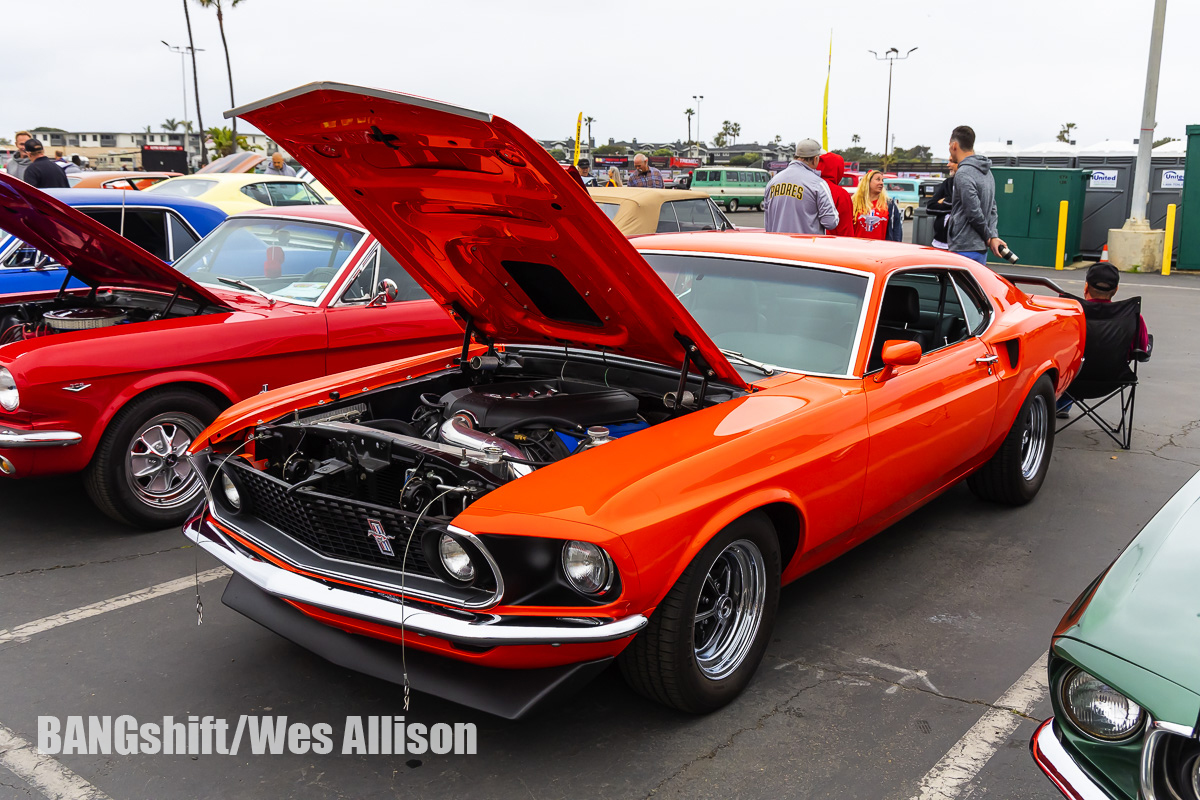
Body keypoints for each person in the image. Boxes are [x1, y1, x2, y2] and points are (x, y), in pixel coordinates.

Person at [1056, 261, 1151, 418]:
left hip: (1070, 381)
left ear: (1086, 287)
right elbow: (1141, 348)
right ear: (1116, 290)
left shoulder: (1068, 314)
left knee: (1071, 359)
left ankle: (1062, 403)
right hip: (1113, 378)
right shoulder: (1132, 318)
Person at [947, 125, 1006, 264]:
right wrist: (992, 235)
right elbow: (992, 208)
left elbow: (973, 211)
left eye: (949, 146)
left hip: (963, 246)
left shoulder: (963, 173)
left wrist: (989, 238)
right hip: (980, 249)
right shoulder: (987, 172)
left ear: (954, 145)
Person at [762, 138, 838, 234]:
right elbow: (831, 222)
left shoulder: (773, 181)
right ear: (815, 159)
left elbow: (767, 222)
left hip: (777, 245)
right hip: (806, 246)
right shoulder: (818, 183)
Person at [849, 170, 902, 241]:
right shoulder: (853, 202)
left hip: (881, 249)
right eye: (878, 180)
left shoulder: (889, 204)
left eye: (882, 180)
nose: (881, 183)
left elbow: (897, 230)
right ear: (867, 182)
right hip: (858, 248)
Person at [817, 152, 854, 236]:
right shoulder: (841, 194)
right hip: (831, 245)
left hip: (806, 243)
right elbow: (845, 229)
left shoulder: (809, 186)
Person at [928, 161, 957, 249]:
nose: (948, 165)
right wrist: (951, 204)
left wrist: (945, 200)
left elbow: (963, 204)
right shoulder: (947, 182)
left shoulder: (970, 182)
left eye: (952, 161)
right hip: (938, 244)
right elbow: (930, 207)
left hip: (957, 246)